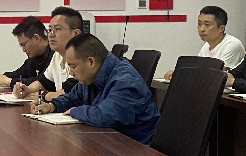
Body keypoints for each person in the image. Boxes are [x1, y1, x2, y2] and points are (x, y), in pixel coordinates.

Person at [31, 33, 161, 143]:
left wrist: (75, 111)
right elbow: (73, 98)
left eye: (73, 66)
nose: (71, 72)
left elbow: (104, 116)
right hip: (112, 142)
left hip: (137, 152)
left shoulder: (125, 81)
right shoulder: (91, 76)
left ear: (91, 62)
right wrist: (51, 106)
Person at [12, 6, 82, 101]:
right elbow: (43, 82)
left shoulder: (82, 57)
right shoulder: (57, 55)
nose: (51, 35)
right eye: (49, 30)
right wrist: (27, 90)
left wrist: (44, 96)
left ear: (76, 33)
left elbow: (70, 92)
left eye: (57, 29)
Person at [163, 5, 245, 80]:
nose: (201, 29)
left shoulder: (232, 45)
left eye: (207, 24)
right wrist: (177, 74)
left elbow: (217, 76)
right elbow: (198, 71)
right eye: (199, 24)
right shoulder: (206, 45)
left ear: (221, 28)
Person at [0, 16, 53, 88]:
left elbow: (42, 82)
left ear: (36, 38)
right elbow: (21, 73)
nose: (23, 49)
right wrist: (3, 77)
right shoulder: (35, 56)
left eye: (24, 45)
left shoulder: (56, 54)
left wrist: (10, 81)